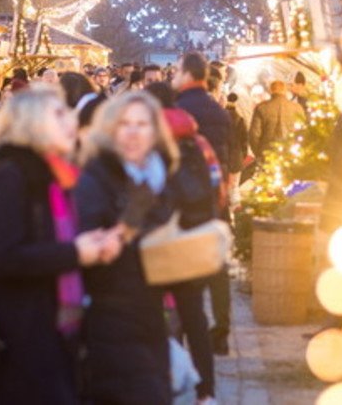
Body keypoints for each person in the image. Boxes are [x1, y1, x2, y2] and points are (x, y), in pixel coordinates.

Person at [0, 86, 121, 404]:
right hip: (18, 335)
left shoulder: (55, 178)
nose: (70, 121)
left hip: (52, 331)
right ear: (31, 123)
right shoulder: (11, 176)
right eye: (58, 114)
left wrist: (87, 246)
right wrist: (76, 252)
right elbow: (2, 257)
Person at [76, 92, 179, 405]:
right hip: (107, 316)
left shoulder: (160, 177)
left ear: (155, 131)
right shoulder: (96, 176)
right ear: (110, 130)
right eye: (125, 124)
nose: (134, 133)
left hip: (151, 314)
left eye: (142, 124)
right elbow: (85, 243)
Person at [144, 82, 219, 403]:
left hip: (157, 242)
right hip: (191, 239)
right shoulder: (197, 140)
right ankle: (206, 390)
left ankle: (163, 382)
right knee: (195, 317)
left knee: (153, 316)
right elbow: (215, 180)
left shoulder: (147, 140)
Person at [173, 51, 233, 354]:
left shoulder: (178, 109)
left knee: (186, 271)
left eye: (176, 71)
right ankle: (221, 330)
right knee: (217, 265)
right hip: (215, 194)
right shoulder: (217, 110)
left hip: (186, 198)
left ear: (187, 74)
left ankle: (184, 330)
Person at [249, 80, 306, 164]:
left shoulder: (261, 108)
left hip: (267, 155)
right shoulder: (297, 108)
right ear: (285, 91)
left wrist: (259, 154)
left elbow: (254, 135)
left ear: (271, 90)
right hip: (290, 155)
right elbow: (302, 133)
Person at [225, 93, 249, 184]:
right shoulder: (240, 120)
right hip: (236, 157)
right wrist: (244, 154)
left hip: (223, 157)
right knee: (234, 187)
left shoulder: (220, 117)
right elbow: (244, 139)